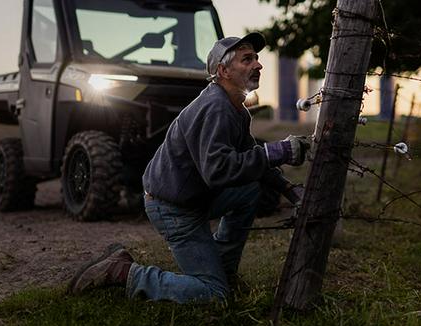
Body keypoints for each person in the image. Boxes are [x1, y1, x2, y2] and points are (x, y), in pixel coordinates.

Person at [69, 33, 308, 303]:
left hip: (193, 198)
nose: (258, 65)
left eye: (256, 58)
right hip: (172, 208)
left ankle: (223, 270)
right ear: (223, 71)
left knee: (249, 189)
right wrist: (278, 151)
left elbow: (250, 157)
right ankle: (125, 272)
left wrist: (289, 189)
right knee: (214, 294)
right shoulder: (215, 108)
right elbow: (218, 170)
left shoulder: (237, 110)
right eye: (247, 59)